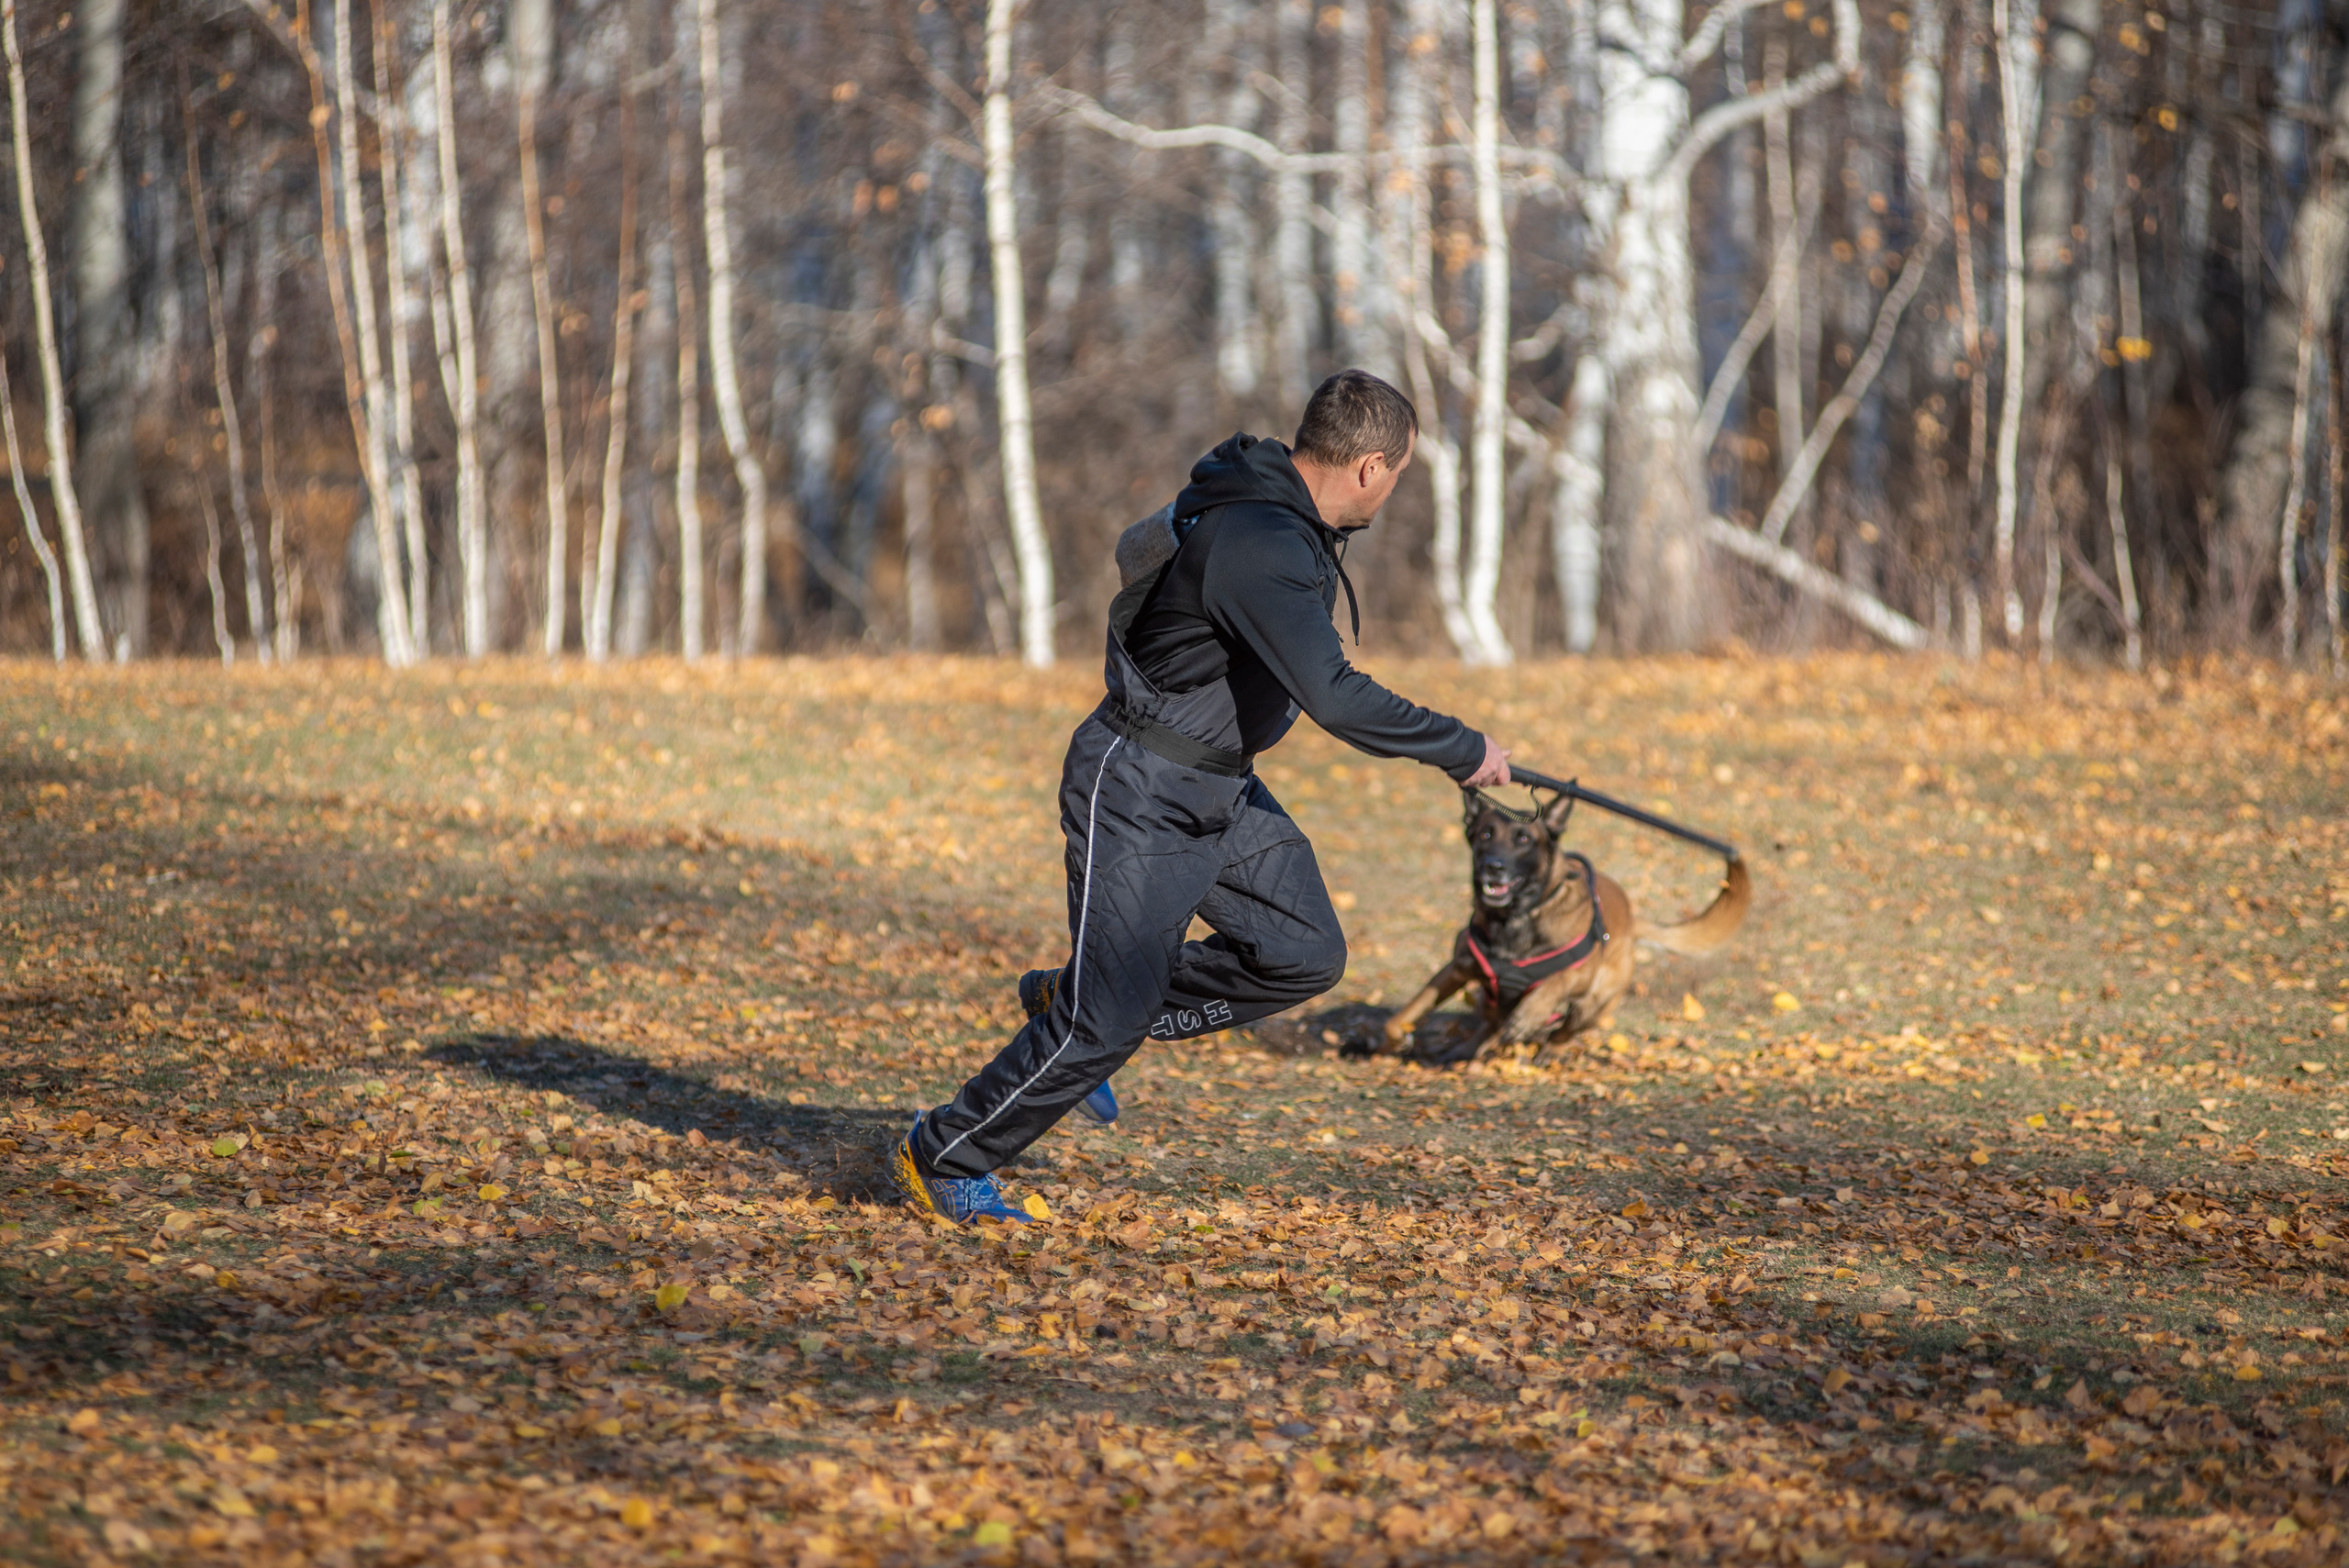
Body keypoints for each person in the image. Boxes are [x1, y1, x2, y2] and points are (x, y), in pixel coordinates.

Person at [890, 369, 1513, 1223]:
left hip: (1220, 786)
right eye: (1399, 474)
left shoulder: (1282, 518)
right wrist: (1462, 749)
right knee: (1106, 1022)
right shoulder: (1262, 539)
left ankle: (1081, 998)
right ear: (1371, 466)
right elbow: (1335, 696)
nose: (1394, 489)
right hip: (1141, 786)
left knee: (1302, 951)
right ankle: (944, 1154)